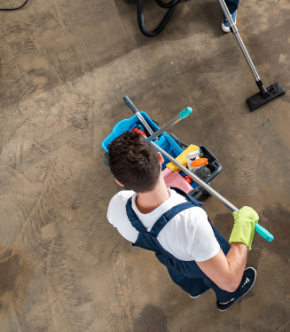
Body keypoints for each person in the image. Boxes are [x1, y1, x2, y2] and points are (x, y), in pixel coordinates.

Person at [106, 131, 258, 310]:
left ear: (119, 181)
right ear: (160, 158)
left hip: (170, 255)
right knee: (215, 272)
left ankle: (195, 288)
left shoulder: (117, 205)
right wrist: (244, 228)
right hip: (192, 254)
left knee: (180, 270)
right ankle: (226, 300)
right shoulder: (191, 222)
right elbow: (230, 281)